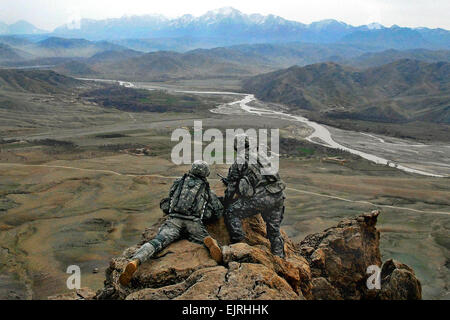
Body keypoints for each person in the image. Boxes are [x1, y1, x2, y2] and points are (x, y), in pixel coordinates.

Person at [119, 160, 224, 286]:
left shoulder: (179, 182)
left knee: (158, 241)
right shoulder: (205, 188)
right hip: (193, 222)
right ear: (205, 173)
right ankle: (209, 242)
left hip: (174, 220)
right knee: (201, 237)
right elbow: (217, 211)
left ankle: (136, 260)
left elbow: (170, 198)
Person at [223, 133, 286, 258]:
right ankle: (279, 258)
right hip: (278, 196)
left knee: (231, 213)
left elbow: (231, 188)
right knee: (274, 230)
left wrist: (226, 202)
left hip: (262, 198)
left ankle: (240, 247)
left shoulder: (240, 160)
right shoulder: (262, 155)